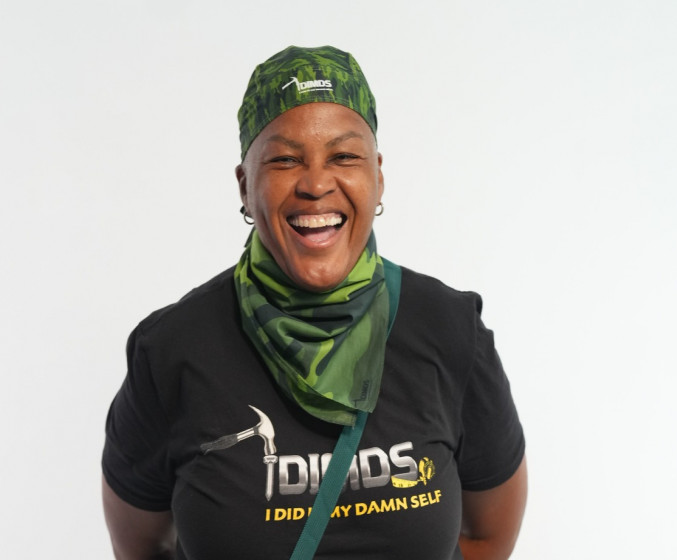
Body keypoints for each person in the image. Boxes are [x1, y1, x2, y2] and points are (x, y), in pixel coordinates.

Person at [101, 45, 527, 560]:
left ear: (377, 177)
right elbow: (143, 548)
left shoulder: (450, 329)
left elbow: (487, 537)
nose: (317, 184)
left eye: (344, 157)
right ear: (245, 185)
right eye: (285, 159)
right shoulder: (171, 350)